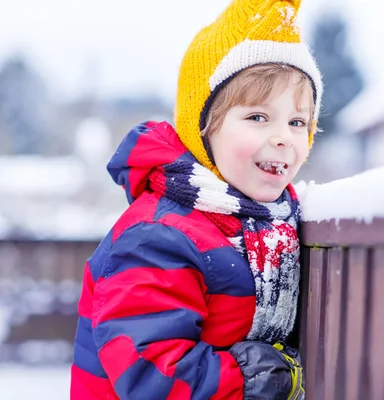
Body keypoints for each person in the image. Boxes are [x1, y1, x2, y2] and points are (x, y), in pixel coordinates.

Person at [69, 0, 322, 398]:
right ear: (203, 128)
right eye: (257, 117)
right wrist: (255, 380)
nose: (283, 137)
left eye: (297, 122)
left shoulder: (264, 224)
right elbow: (150, 371)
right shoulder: (158, 236)